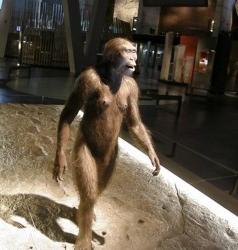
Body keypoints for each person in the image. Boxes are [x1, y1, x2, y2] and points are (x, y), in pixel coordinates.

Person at [53, 37, 160, 249]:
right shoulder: (91, 79)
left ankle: (83, 210)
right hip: (87, 147)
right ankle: (83, 238)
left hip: (110, 151)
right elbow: (67, 116)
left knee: (94, 193)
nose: (133, 57)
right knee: (90, 194)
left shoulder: (130, 86)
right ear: (112, 55)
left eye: (134, 52)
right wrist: (60, 152)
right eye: (127, 51)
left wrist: (150, 149)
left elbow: (136, 124)